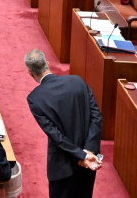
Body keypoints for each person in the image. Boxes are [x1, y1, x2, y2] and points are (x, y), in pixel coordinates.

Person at [25, 49, 102, 198]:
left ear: (30, 73)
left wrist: (81, 155)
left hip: (62, 167)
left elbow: (56, 135)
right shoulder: (78, 81)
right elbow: (96, 117)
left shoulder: (35, 98)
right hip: (88, 163)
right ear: (47, 63)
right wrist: (88, 152)